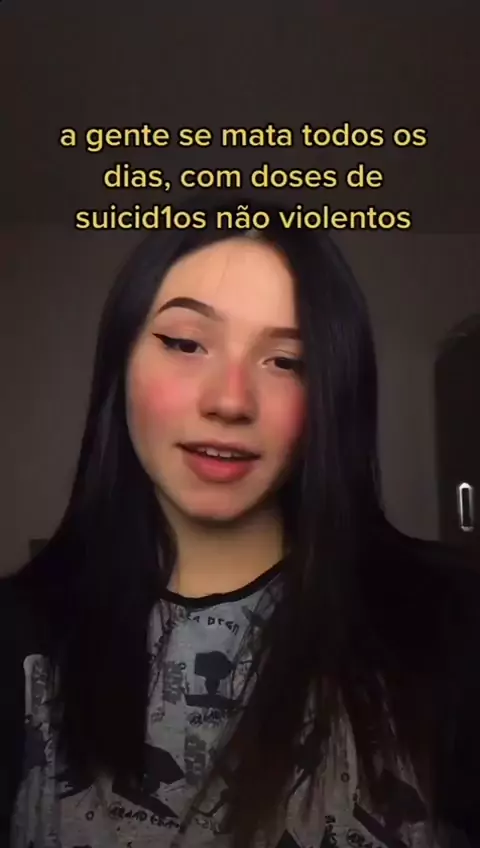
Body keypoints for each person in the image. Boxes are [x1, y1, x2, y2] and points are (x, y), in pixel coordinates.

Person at [0, 194, 479, 848]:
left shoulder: (450, 621)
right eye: (185, 343)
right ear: (120, 364)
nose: (230, 401)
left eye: (286, 361)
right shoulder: (20, 637)